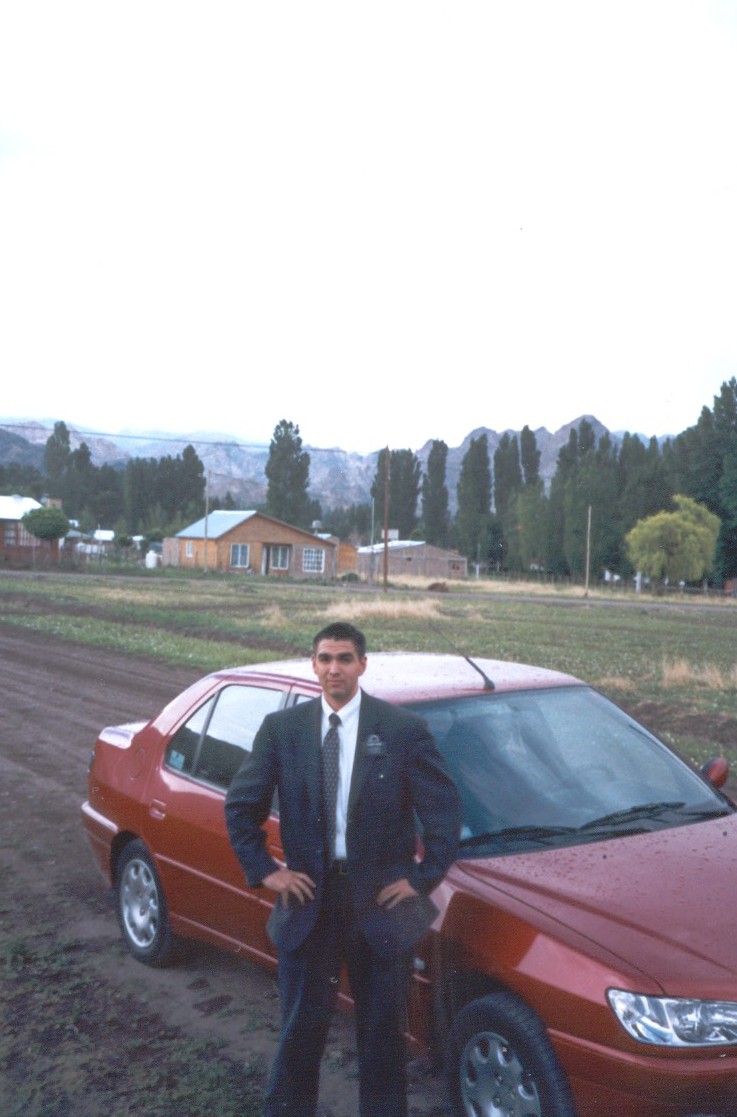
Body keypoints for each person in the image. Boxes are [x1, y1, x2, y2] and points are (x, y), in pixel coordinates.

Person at [225, 621, 461, 1117]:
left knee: (382, 1042)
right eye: (326, 658)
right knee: (299, 1035)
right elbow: (240, 805)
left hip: (379, 905)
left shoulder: (401, 730)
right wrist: (266, 871)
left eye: (345, 658)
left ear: (362, 665)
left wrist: (421, 878)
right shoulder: (282, 730)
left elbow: (444, 813)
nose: (335, 668)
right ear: (313, 665)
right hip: (309, 902)